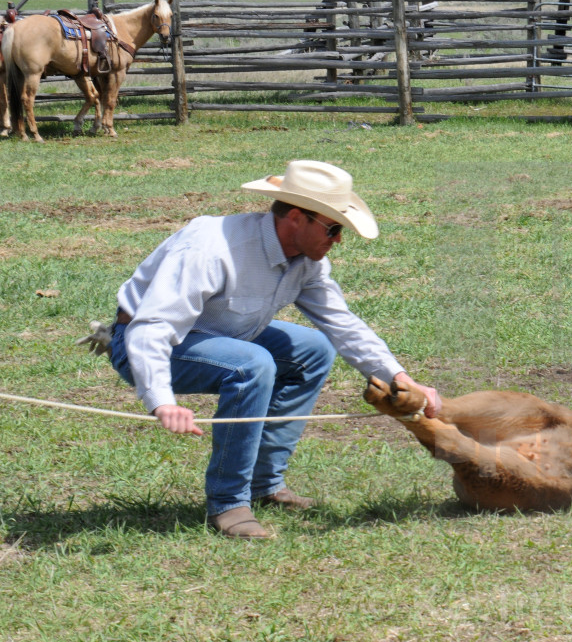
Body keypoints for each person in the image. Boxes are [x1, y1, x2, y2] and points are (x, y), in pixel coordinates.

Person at [108, 159, 442, 539]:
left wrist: (397, 376)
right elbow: (153, 326)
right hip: (145, 344)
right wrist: (161, 400)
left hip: (224, 335)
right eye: (333, 228)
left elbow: (342, 323)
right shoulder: (210, 247)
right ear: (297, 218)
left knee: (313, 349)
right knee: (252, 364)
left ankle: (263, 485)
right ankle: (229, 504)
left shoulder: (308, 263)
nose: (338, 240)